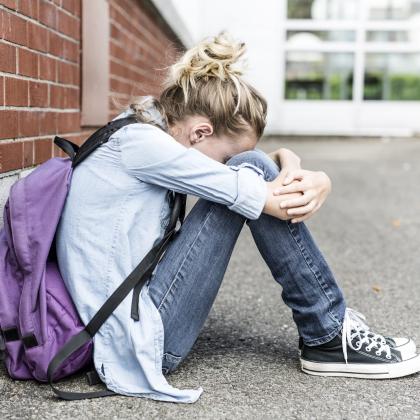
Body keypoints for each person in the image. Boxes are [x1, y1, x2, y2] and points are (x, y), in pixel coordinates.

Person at [55, 32, 420, 403]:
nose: (225, 168)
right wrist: (317, 180)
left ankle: (329, 330)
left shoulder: (144, 125)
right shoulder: (144, 147)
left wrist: (290, 162)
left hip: (126, 322)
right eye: (224, 159)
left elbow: (255, 174)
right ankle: (327, 334)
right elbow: (257, 188)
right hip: (136, 344)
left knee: (251, 168)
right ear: (201, 131)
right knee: (250, 172)